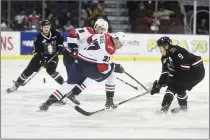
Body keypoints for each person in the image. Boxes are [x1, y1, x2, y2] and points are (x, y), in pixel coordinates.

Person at [39, 32, 127, 111]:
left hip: (77, 62)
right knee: (111, 74)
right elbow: (102, 68)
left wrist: (95, 54)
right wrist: (114, 67)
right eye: (121, 44)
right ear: (117, 41)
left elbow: (89, 39)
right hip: (88, 67)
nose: (120, 47)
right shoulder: (110, 50)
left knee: (69, 84)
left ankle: (46, 104)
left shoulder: (105, 35)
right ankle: (109, 102)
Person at [6, 20, 65, 93]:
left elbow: (61, 40)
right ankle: (16, 85)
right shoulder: (38, 38)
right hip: (40, 56)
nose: (46, 29)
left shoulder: (56, 32)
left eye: (48, 27)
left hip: (53, 56)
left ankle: (65, 86)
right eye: (45, 27)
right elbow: (37, 52)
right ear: (41, 27)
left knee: (51, 70)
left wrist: (60, 47)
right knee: (28, 70)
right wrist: (42, 60)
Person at [150, 36, 205, 114]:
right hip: (187, 72)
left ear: (166, 46)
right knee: (179, 86)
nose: (160, 50)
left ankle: (165, 108)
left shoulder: (176, 52)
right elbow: (165, 72)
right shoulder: (164, 58)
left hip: (196, 71)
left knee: (174, 84)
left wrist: (169, 79)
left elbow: (185, 68)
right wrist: (159, 85)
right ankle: (183, 109)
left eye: (160, 48)